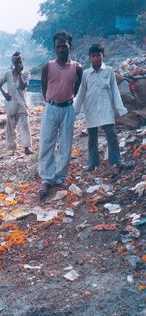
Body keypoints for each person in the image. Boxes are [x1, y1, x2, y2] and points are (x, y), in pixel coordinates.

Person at [38, 31, 83, 201]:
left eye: (64, 46)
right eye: (58, 46)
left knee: (66, 144)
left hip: (68, 109)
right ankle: (47, 179)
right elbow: (44, 88)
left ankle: (60, 177)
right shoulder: (47, 67)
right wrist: (51, 101)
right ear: (54, 48)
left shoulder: (77, 68)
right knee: (46, 143)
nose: (61, 49)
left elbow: (76, 88)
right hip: (51, 107)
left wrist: (67, 100)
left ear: (70, 46)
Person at [74, 43, 129, 171]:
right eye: (94, 56)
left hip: (106, 108)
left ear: (103, 56)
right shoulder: (86, 74)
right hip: (91, 109)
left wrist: (120, 109)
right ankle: (93, 163)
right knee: (92, 138)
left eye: (99, 55)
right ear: (89, 58)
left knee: (112, 135)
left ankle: (116, 161)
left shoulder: (109, 71)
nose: (96, 58)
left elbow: (115, 90)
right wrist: (75, 111)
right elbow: (81, 93)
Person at [0, 52, 32, 156]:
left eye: (20, 62)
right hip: (11, 103)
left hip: (21, 104)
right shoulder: (8, 74)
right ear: (13, 63)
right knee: (10, 127)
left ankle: (27, 147)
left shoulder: (26, 74)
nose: (19, 64)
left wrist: (20, 74)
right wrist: (4, 94)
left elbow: (22, 86)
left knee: (24, 125)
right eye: (17, 62)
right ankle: (12, 148)